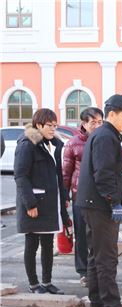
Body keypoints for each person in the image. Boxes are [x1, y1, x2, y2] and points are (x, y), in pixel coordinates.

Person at [76, 94, 122, 307]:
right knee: (107, 259)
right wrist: (114, 202)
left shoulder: (103, 135)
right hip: (100, 205)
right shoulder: (106, 136)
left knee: (96, 257)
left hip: (91, 203)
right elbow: (103, 174)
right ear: (111, 113)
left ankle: (98, 304)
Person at [63, 107, 122, 288]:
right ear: (84, 124)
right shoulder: (76, 143)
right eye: (93, 122)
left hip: (99, 199)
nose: (98, 125)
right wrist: (64, 196)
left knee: (97, 245)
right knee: (85, 240)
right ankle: (85, 273)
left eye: (100, 122)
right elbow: (67, 173)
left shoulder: (107, 138)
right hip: (83, 197)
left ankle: (95, 288)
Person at [14, 108, 72, 294]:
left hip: (50, 203)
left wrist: (64, 198)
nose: (53, 129)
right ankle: (33, 284)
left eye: (55, 125)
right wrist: (29, 203)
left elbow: (58, 176)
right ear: (38, 125)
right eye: (50, 125)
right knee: (32, 244)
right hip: (34, 204)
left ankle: (47, 283)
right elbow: (21, 176)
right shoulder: (27, 144)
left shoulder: (54, 144)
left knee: (48, 244)